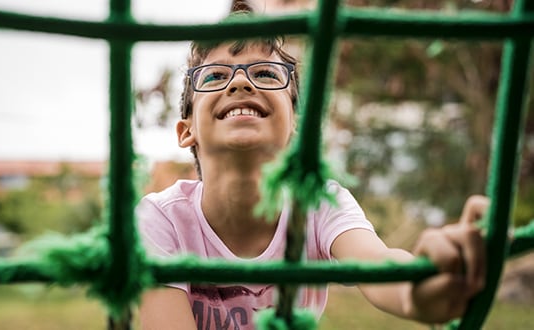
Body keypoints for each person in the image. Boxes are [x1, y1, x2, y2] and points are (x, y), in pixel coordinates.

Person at [135, 13, 489, 330]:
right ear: (186, 131)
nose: (240, 84)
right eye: (214, 76)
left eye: (264, 73)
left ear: (296, 127)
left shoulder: (320, 202)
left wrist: (426, 279)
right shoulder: (160, 220)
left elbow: (378, 265)